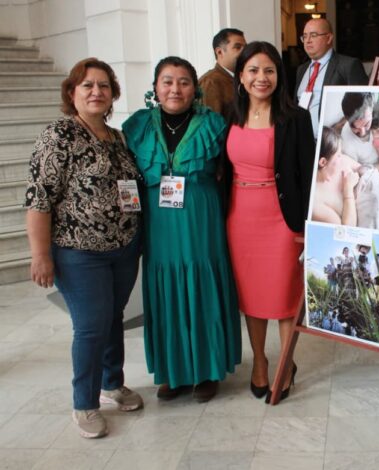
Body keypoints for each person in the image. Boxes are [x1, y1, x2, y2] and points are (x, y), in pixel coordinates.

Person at [25, 58, 143, 439]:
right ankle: (84, 403)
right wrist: (40, 254)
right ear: (72, 92)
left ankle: (112, 384)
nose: (97, 92)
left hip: (123, 248)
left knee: (113, 318)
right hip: (78, 252)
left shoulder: (116, 137)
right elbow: (39, 200)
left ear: (113, 95)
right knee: (91, 326)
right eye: (88, 85)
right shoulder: (59, 136)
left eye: (104, 86)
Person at [122, 56, 241, 403]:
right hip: (158, 225)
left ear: (196, 87)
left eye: (184, 81)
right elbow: (126, 179)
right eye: (168, 81)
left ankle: (206, 369)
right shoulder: (136, 126)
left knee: (202, 287)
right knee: (165, 292)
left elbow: (229, 173)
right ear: (155, 87)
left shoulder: (215, 124)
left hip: (201, 220)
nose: (176, 88)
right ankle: (173, 371)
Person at [222, 41, 315, 402]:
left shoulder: (296, 117)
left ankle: (286, 362)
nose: (262, 78)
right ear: (241, 76)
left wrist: (307, 226)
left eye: (270, 70)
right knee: (252, 296)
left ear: (279, 75)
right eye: (254, 70)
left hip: (281, 220)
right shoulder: (230, 113)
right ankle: (259, 361)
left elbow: (307, 176)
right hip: (239, 218)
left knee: (283, 296)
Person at [295, 18, 369, 135]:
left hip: (327, 143)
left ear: (329, 38)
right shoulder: (301, 70)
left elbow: (361, 105)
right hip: (301, 142)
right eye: (304, 36)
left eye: (313, 35)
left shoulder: (348, 66)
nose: (308, 40)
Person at [312, 126, 360, 226]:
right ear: (323, 162)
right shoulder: (315, 203)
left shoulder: (342, 161)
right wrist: (348, 189)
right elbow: (346, 230)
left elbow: (368, 172)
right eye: (338, 155)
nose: (341, 157)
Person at [199, 28, 246, 118]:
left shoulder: (244, 78)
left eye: (245, 47)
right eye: (238, 47)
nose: (245, 52)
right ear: (219, 52)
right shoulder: (210, 82)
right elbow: (212, 127)